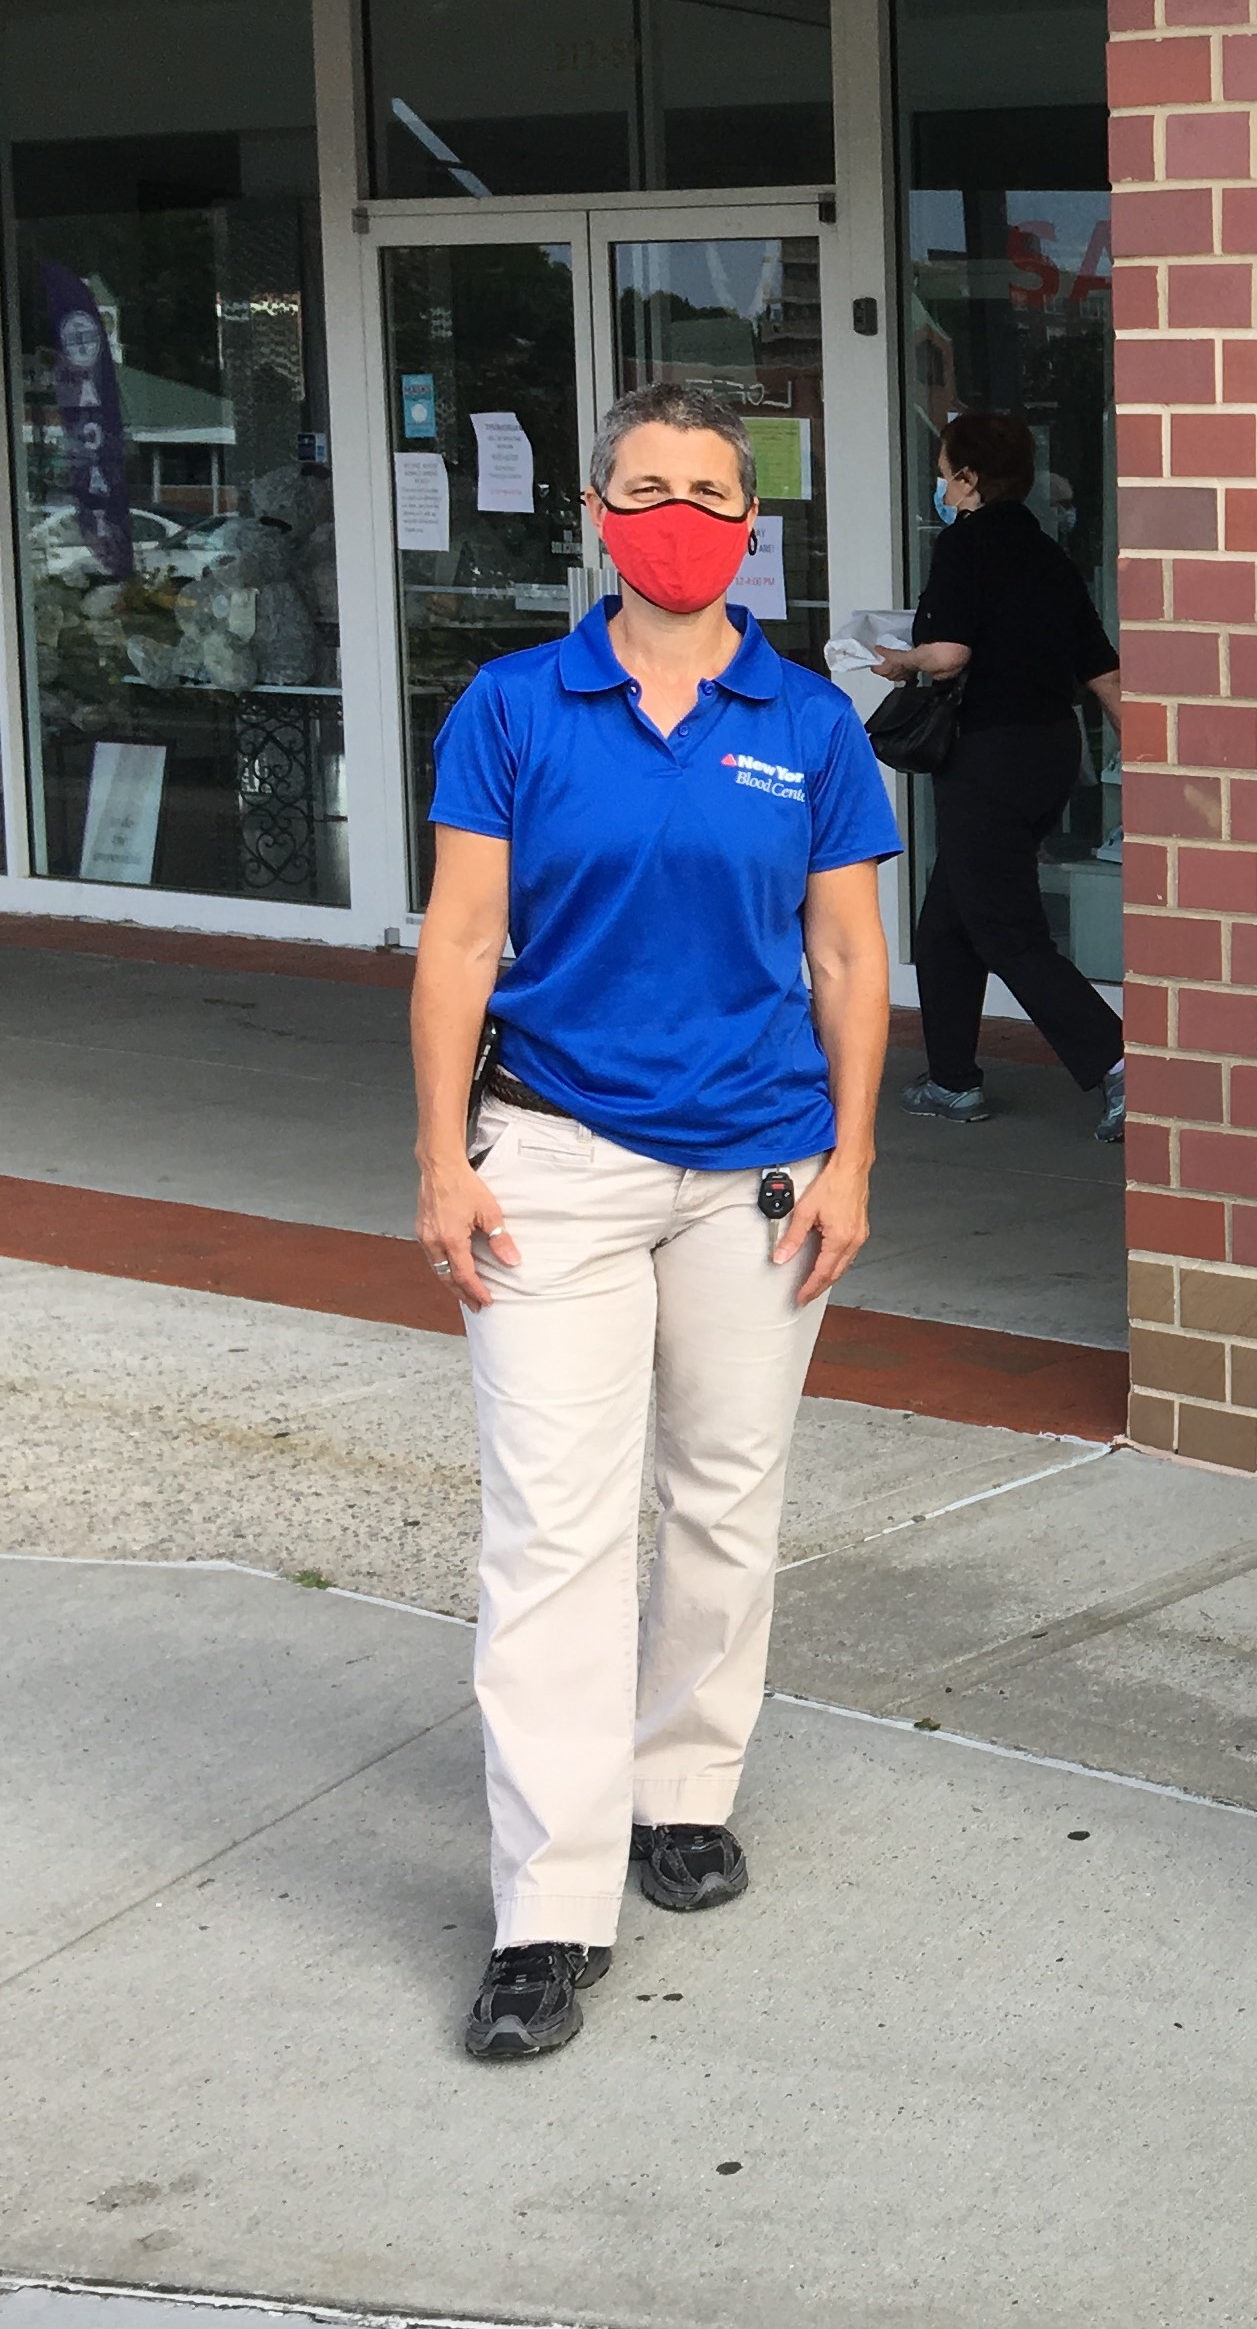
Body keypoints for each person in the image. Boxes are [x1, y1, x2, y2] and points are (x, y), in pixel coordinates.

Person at [411, 382, 901, 2061]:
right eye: (646, 488)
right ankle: (547, 1909)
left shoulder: (812, 725)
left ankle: (682, 1788)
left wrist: (850, 1158)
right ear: (598, 514)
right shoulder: (511, 705)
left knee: (722, 1496)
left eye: (709, 491)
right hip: (549, 1163)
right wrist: (437, 1155)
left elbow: (849, 961)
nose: (677, 516)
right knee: (552, 1535)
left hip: (757, 1170)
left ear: (750, 525)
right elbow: (462, 941)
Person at [873, 410, 1129, 1140]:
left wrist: (899, 661)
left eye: (945, 469)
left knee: (1006, 928)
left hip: (988, 756)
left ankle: (1117, 1063)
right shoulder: (1048, 557)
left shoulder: (965, 547)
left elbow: (948, 656)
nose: (939, 484)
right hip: (1050, 751)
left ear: (970, 479)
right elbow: (1104, 676)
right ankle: (951, 1079)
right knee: (948, 920)